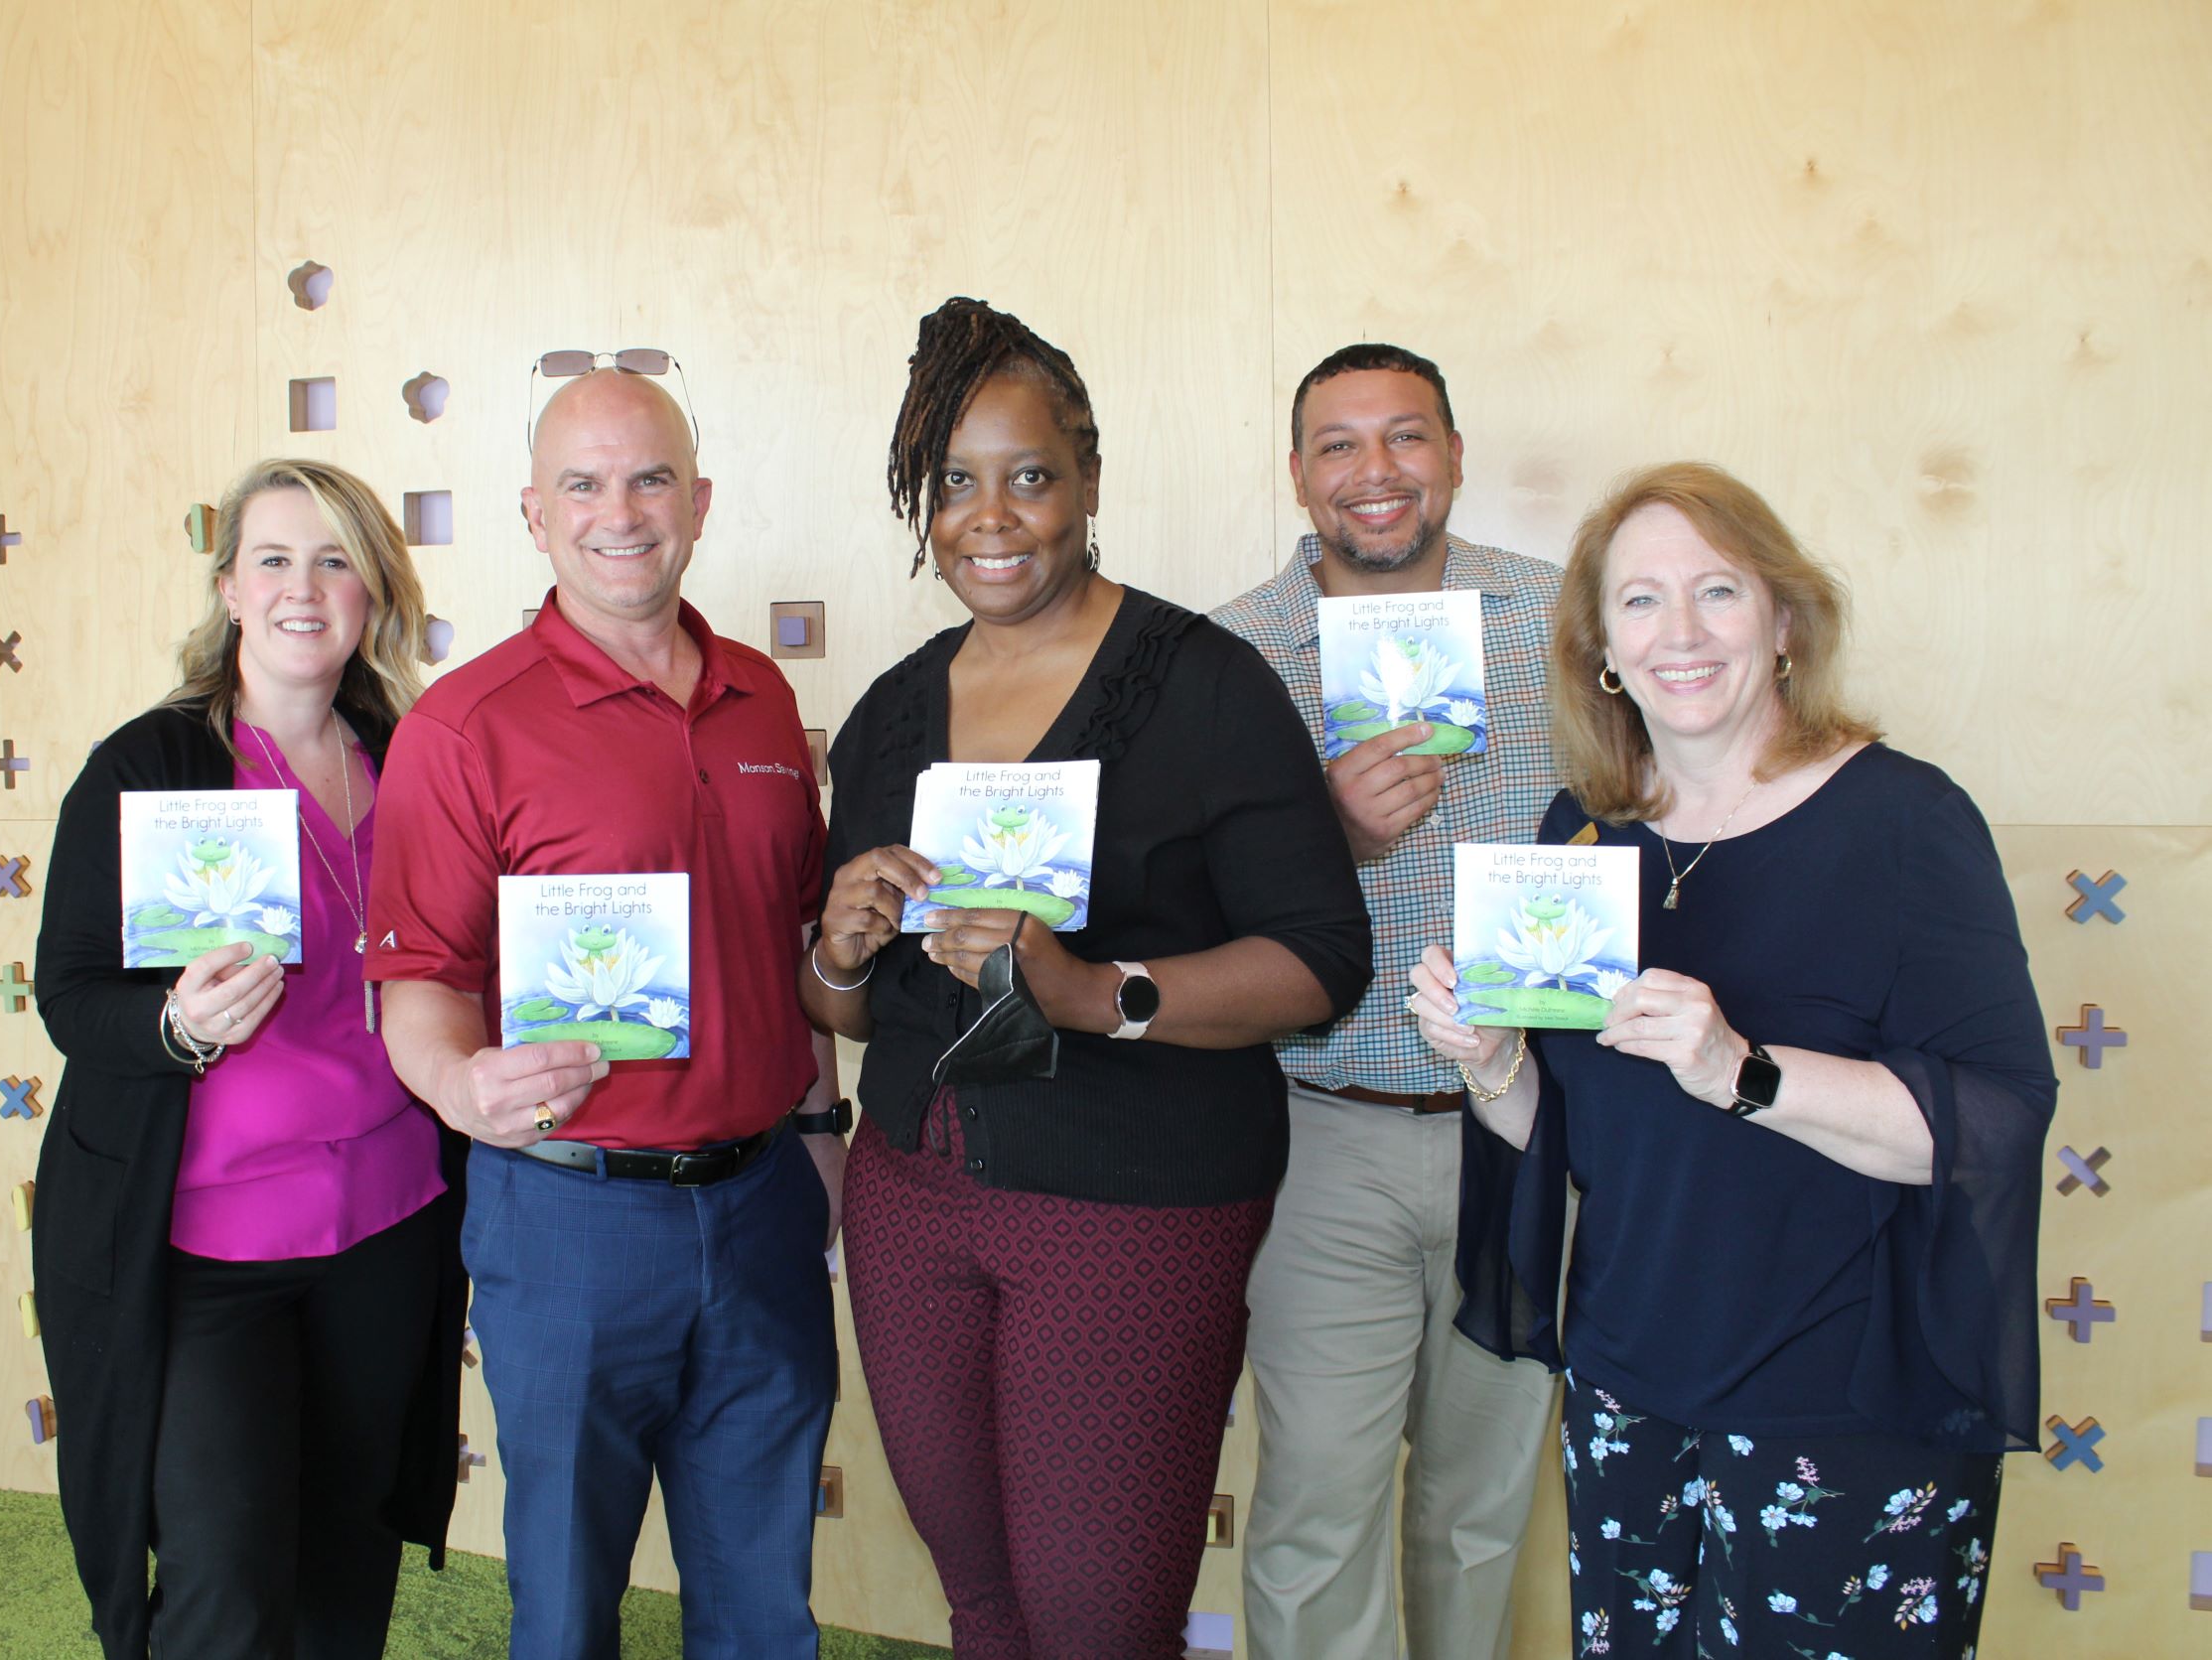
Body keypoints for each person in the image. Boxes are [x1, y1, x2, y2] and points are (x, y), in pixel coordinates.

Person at [804, 296, 1372, 1658]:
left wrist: (1093, 989)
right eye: (953, 485)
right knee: (985, 1602)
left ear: (1090, 481)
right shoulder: (891, 710)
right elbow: (843, 1009)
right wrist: (835, 945)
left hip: (1133, 1209)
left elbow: (1320, 962)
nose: (990, 519)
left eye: (1029, 477)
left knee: (1099, 1617)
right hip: (913, 1200)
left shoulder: (1206, 686)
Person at [1407, 462, 2053, 1658]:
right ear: (1603, 642)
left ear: (1786, 620)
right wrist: (1490, 1056)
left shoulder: (1904, 821)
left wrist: (1743, 1070)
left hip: (1844, 1399)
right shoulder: (1582, 832)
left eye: (1719, 591)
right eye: (1642, 600)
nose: (1682, 633)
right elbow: (1574, 1137)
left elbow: (1997, 1119)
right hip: (1629, 1383)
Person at [364, 356, 846, 1659]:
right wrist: (462, 1088)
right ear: (534, 513)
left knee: (763, 1602)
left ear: (699, 498)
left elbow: (789, 941)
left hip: (760, 1210)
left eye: (648, 478)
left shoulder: (763, 697)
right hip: (570, 1221)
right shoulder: (466, 728)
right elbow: (419, 986)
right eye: (582, 483)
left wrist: (823, 1143)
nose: (618, 511)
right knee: (568, 1604)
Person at [32, 459, 467, 1660]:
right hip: (206, 1251)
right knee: (224, 1583)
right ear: (227, 587)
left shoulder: (417, 757)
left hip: (387, 1229)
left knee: (344, 1570)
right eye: (273, 558)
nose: (303, 588)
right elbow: (68, 992)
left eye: (336, 560)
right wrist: (173, 1026)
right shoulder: (147, 768)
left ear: (373, 593)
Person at [1210, 345, 1563, 1660]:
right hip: (1320, 1132)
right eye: (1340, 444)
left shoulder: (1564, 620)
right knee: (1315, 1508)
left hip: (1524, 1132)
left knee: (1480, 1511)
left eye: (1406, 437)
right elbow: (1181, 909)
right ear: (1299, 474)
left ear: (1456, 457)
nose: (1376, 472)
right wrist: (1329, 839)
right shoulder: (1228, 654)